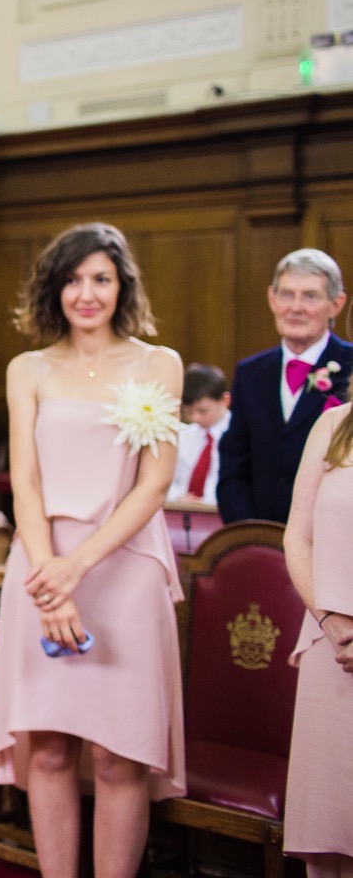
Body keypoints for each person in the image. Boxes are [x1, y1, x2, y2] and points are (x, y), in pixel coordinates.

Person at [0, 222, 185, 878]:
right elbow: (28, 482)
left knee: (117, 756)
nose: (86, 292)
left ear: (122, 284)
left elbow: (154, 484)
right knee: (46, 751)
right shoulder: (29, 369)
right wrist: (50, 575)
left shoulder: (159, 364)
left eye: (100, 278)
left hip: (122, 570)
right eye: (72, 279)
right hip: (42, 565)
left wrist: (78, 567)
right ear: (54, 289)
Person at [217, 249, 351, 523]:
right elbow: (234, 466)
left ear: (336, 304)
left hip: (331, 535)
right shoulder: (250, 372)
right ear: (271, 298)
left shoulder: (351, 367)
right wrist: (250, 534)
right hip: (259, 537)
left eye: (310, 296)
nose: (296, 307)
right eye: (287, 294)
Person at [283, 398, 353, 877]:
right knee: (329, 835)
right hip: (334, 649)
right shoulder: (334, 423)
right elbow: (297, 537)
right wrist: (329, 619)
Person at [166, 362, 232, 505]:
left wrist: (206, 502)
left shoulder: (238, 435)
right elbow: (168, 479)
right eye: (188, 412)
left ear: (225, 400)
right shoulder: (183, 436)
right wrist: (179, 496)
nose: (195, 418)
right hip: (184, 511)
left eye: (202, 411)